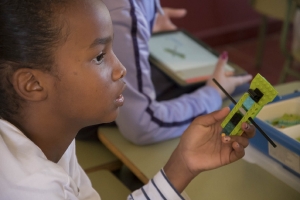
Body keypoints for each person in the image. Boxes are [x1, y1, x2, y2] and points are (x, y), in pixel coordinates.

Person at [0, 0, 255, 199]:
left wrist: (183, 165)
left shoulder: (54, 138)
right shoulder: (35, 188)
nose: (121, 69)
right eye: (99, 57)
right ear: (32, 84)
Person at [98, 0, 253, 145]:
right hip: (87, 115)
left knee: (234, 82)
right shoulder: (123, 11)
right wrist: (213, 93)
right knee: (239, 90)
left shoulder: (124, 12)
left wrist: (145, 21)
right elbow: (142, 124)